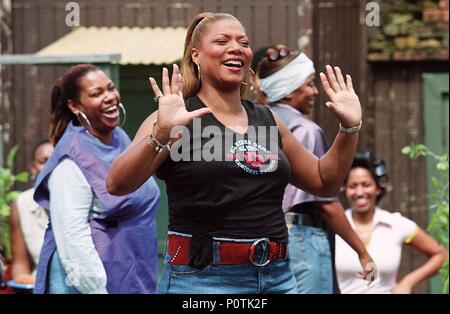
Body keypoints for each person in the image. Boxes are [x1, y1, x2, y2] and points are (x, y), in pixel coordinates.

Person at [107, 12, 366, 294]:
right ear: (196, 55)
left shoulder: (267, 119)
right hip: (202, 280)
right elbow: (118, 184)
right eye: (222, 41)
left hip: (277, 277)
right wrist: (161, 133)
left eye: (243, 42)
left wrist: (349, 128)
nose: (236, 48)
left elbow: (323, 180)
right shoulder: (178, 116)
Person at [33, 64, 160, 294]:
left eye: (110, 88)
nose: (109, 97)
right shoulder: (70, 160)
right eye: (96, 93)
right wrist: (96, 289)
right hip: (91, 284)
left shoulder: (120, 138)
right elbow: (72, 236)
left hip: (134, 274)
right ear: (74, 105)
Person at [256, 45, 374, 293]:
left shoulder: (255, 123)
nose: (314, 91)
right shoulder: (306, 130)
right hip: (301, 237)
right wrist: (362, 252)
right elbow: (325, 201)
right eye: (309, 84)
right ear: (288, 91)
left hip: (260, 240)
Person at [336, 151, 448, 293]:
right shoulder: (336, 226)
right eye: (352, 186)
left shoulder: (396, 224)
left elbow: (442, 255)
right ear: (344, 189)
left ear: (377, 188)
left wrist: (408, 281)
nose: (359, 192)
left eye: (366, 184)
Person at [9, 140, 53, 285]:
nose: (51, 165)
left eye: (56, 159)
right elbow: (20, 266)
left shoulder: (80, 201)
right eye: (44, 160)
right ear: (34, 168)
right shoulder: (22, 204)